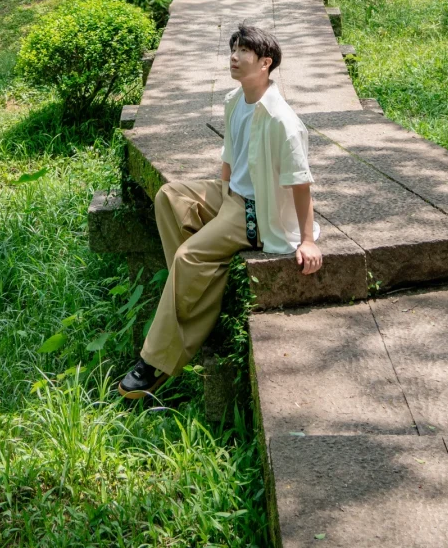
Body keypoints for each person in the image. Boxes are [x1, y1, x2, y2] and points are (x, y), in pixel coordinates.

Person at [117, 21, 323, 400]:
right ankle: (197, 293)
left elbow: (301, 183)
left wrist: (308, 240)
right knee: (169, 197)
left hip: (253, 210)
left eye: (244, 51)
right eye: (233, 49)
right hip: (231, 194)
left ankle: (158, 360)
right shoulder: (234, 100)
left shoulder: (282, 121)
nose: (234, 56)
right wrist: (220, 190)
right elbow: (230, 156)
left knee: (189, 256)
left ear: (265, 62)